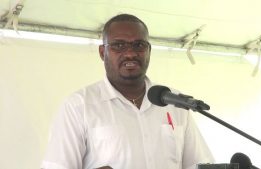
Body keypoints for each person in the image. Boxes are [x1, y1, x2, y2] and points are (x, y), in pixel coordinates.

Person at [41, 13, 214, 169]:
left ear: (149, 51)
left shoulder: (174, 102)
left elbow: (199, 164)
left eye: (139, 45)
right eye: (119, 45)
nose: (130, 53)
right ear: (103, 52)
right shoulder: (79, 106)